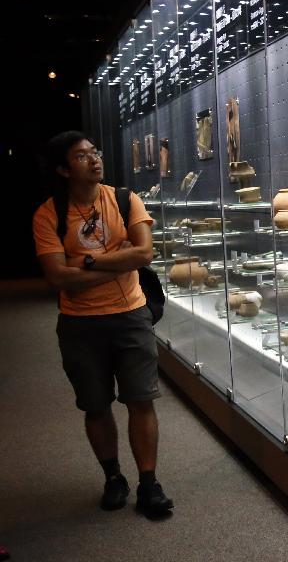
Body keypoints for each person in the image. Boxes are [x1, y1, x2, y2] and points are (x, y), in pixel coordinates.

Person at [32, 131, 173, 519]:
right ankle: (114, 477)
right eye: (81, 156)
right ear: (63, 169)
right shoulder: (48, 214)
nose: (94, 159)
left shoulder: (125, 200)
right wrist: (116, 262)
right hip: (80, 324)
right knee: (96, 406)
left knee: (140, 400)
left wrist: (88, 263)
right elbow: (59, 279)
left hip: (130, 314)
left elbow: (143, 253)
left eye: (95, 152)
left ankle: (148, 482)